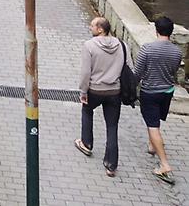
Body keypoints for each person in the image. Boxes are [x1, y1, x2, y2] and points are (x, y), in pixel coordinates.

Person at [134, 16, 183, 185]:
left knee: (152, 125)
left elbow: (137, 73)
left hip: (150, 92)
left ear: (156, 30)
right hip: (167, 92)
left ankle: (164, 164)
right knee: (155, 121)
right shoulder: (177, 52)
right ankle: (151, 145)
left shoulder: (147, 49)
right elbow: (174, 71)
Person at [75, 16, 124, 177]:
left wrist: (83, 91)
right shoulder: (121, 45)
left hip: (95, 90)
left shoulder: (89, 46)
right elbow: (128, 67)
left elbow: (85, 72)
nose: (90, 28)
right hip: (114, 91)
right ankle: (111, 165)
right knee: (112, 126)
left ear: (100, 29)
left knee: (87, 111)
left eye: (92, 26)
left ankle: (86, 143)